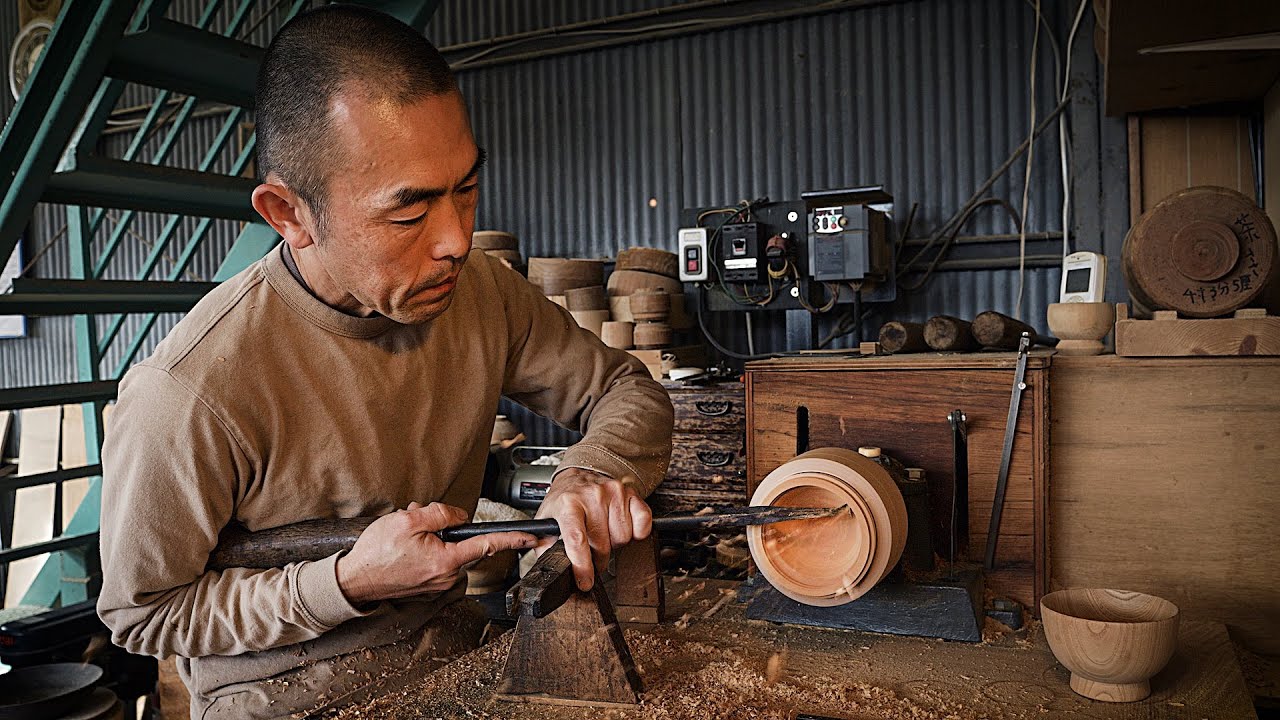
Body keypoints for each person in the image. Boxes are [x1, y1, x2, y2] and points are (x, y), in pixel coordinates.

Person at [95, 6, 674, 717]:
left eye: (466, 188)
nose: (456, 240)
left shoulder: (479, 291)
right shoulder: (190, 391)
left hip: (452, 660)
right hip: (281, 697)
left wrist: (595, 471)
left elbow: (626, 391)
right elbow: (142, 614)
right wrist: (343, 584)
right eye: (409, 213)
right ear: (289, 215)